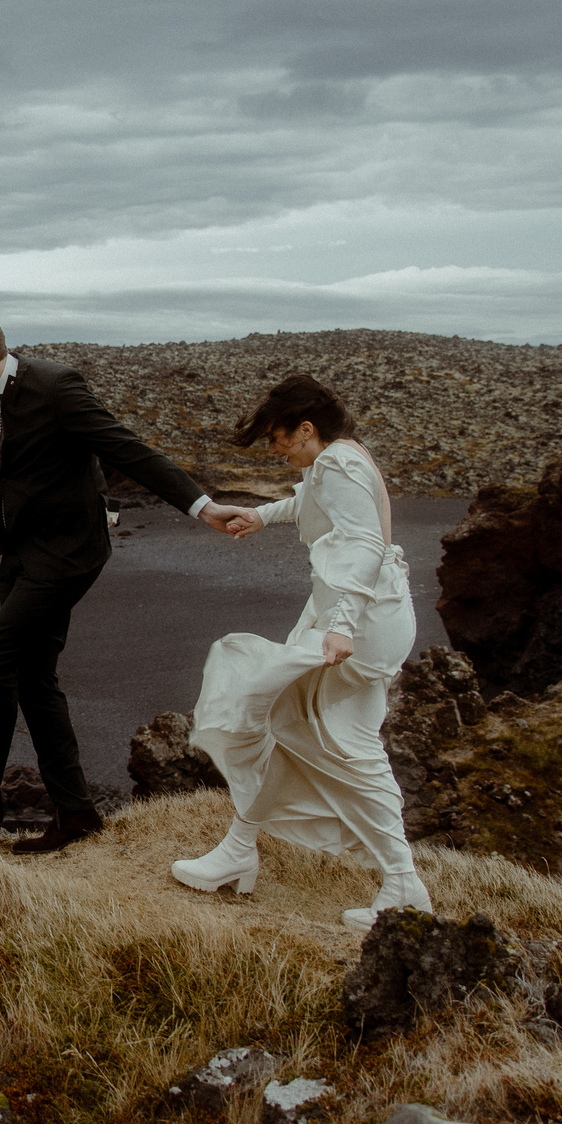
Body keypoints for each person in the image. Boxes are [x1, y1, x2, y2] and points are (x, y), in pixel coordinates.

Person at [0, 308, 241, 852]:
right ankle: (75, 814)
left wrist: (202, 508)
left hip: (66, 554)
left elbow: (125, 447)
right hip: (20, 547)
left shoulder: (56, 386)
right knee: (34, 676)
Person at [172, 374, 432, 930]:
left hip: (357, 623)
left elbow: (364, 543)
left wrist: (340, 625)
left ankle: (403, 883)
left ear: (307, 429)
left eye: (277, 438)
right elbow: (310, 505)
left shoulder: (338, 463)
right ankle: (240, 849)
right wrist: (259, 516)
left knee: (314, 732)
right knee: (293, 725)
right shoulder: (338, 459)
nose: (273, 449)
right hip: (361, 615)